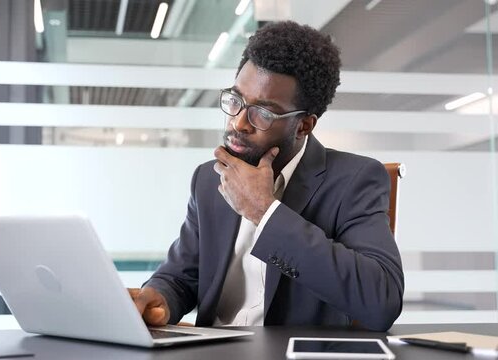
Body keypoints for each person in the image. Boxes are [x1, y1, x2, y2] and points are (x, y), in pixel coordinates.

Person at [129, 20, 404, 331]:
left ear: (304, 126)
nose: (239, 122)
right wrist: (158, 298)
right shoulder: (209, 178)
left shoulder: (355, 180)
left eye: (263, 113)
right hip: (210, 351)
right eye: (235, 100)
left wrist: (265, 211)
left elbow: (381, 301)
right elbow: (181, 276)